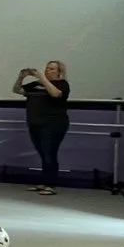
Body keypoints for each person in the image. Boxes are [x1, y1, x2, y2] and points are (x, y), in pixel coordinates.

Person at [14, 60, 71, 196]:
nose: (47, 70)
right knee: (43, 153)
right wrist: (21, 77)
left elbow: (55, 94)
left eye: (52, 69)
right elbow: (17, 90)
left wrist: (42, 78)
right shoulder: (35, 85)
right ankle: (45, 182)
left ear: (59, 72)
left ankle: (51, 185)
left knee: (49, 153)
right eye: (47, 68)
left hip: (53, 124)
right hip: (35, 123)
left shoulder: (62, 84)